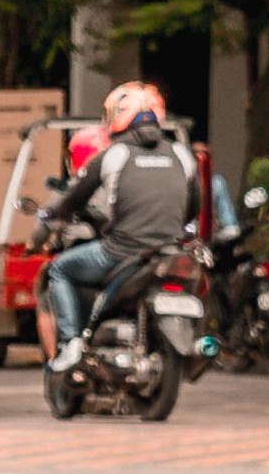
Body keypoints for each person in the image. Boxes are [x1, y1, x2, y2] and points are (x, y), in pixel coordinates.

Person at [37, 84, 201, 372]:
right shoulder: (183, 154)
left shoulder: (115, 154)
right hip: (171, 251)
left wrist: (54, 212)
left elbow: (75, 198)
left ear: (117, 116)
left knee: (59, 269)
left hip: (121, 252)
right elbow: (194, 206)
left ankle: (72, 342)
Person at [35, 124, 109, 363]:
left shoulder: (73, 187)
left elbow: (44, 227)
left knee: (56, 273)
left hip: (99, 256)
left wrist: (32, 244)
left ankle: (63, 350)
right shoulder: (123, 184)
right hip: (131, 254)